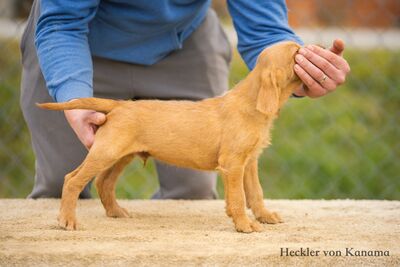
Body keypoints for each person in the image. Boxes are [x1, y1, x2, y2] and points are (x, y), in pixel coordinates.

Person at [20, 0, 350, 199]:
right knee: (59, 183)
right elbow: (63, 20)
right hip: (75, 41)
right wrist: (74, 94)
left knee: (193, 191)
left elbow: (265, 28)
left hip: (184, 40)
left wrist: (299, 73)